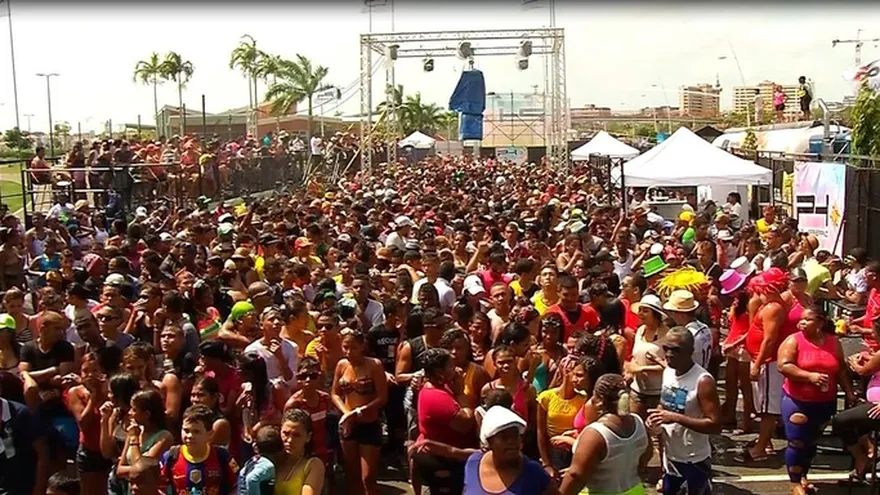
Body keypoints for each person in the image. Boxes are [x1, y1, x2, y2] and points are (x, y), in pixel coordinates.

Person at [778, 304, 854, 495]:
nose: (801, 323)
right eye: (801, 319)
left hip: (825, 401)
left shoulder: (833, 342)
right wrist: (809, 376)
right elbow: (784, 366)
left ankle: (803, 475)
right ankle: (795, 483)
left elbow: (841, 369)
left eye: (807, 319)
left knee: (811, 441)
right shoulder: (793, 341)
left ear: (819, 322)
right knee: (797, 441)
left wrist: (849, 392)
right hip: (797, 400)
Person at [648, 326, 721, 495]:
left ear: (690, 351)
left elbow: (715, 425)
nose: (669, 354)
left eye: (676, 350)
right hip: (671, 456)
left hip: (694, 459)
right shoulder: (668, 372)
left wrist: (675, 417)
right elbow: (664, 404)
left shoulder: (703, 381)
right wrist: (656, 417)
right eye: (666, 348)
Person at [560, 374, 649, 495]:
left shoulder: (595, 433)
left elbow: (576, 476)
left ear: (599, 399)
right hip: (634, 491)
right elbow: (646, 455)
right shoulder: (638, 421)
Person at [331, 327, 388, 495]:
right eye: (345, 347)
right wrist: (347, 413)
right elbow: (335, 394)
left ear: (362, 346)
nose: (349, 352)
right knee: (351, 475)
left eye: (353, 347)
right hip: (348, 426)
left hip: (369, 423)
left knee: (368, 478)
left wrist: (359, 411)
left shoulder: (374, 365)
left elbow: (382, 398)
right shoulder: (341, 364)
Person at [740, 267, 788, 463]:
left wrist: (757, 363)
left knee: (768, 408)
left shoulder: (772, 308)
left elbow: (769, 339)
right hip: (763, 361)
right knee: (764, 405)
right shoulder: (769, 305)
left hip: (767, 363)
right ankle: (764, 442)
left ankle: (760, 448)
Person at [413, 347, 476, 494]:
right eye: (451, 366)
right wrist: (460, 393)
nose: (456, 369)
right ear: (439, 372)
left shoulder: (441, 386)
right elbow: (466, 423)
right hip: (443, 459)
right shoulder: (436, 397)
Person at [463, 405, 557, 495]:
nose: (511, 441)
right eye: (504, 437)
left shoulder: (533, 472)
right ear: (489, 442)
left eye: (515, 435)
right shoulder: (473, 463)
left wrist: (571, 475)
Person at [160, 404, 239, 494]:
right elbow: (160, 487)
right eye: (186, 430)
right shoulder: (171, 456)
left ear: (209, 434)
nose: (189, 436)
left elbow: (236, 485)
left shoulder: (222, 456)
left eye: (196, 432)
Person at [537, 353, 588, 478]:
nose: (575, 378)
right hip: (553, 450)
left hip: (575, 448)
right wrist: (546, 463)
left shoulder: (584, 398)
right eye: (573, 373)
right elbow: (540, 431)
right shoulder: (546, 397)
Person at [276, 408, 325, 495]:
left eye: (296, 435)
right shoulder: (274, 461)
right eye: (286, 433)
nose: (290, 440)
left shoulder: (313, 465)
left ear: (308, 437)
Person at [663, 290, 711, 371]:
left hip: (689, 376)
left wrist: (659, 361)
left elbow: (680, 364)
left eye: (672, 312)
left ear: (681, 314)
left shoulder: (686, 335)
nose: (670, 316)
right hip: (703, 371)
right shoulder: (705, 328)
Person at [238, 424, 284, 495]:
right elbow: (251, 479)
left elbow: (242, 474)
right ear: (280, 450)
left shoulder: (252, 461)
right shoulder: (268, 465)